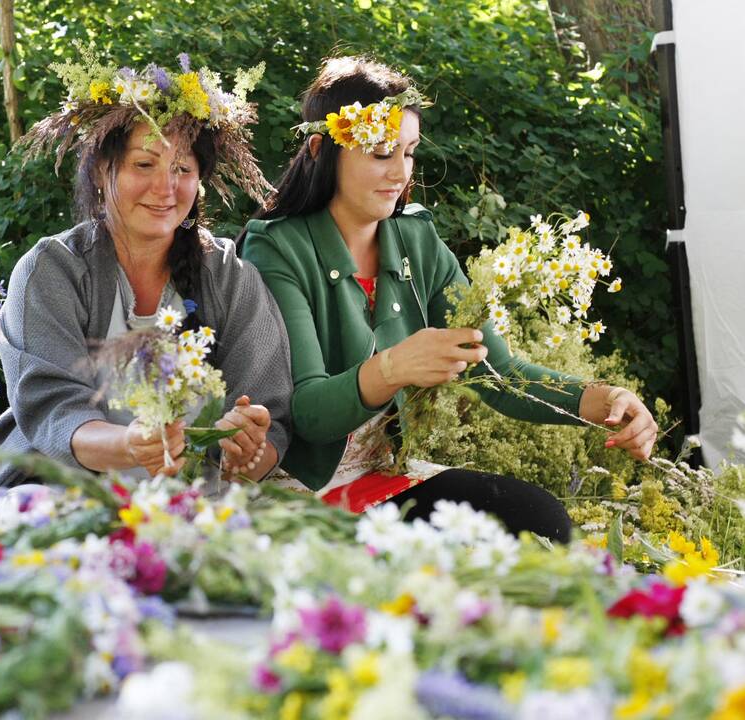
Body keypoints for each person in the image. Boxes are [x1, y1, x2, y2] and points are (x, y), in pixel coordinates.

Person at [239, 56, 657, 542]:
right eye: (380, 153)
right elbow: (308, 414)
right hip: (300, 489)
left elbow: (499, 374)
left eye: (410, 152)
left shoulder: (417, 240)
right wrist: (394, 368)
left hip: (381, 481)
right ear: (320, 149)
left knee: (538, 521)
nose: (399, 172)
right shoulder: (276, 247)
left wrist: (602, 399)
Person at [0, 54, 292, 530]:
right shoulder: (53, 270)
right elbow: (51, 409)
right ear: (100, 171)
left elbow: (269, 420)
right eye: (144, 163)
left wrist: (247, 448)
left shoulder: (228, 276)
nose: (165, 187)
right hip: (54, 492)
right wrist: (130, 445)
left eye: (182, 168)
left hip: (187, 504)